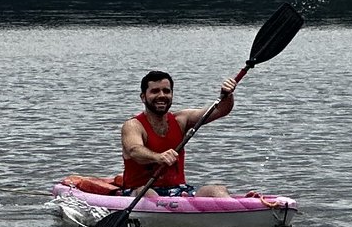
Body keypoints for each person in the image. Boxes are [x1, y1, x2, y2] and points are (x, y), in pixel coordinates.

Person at [66, 69, 239, 197]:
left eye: (166, 91)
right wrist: (158, 157)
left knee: (217, 190)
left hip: (178, 191)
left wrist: (227, 95)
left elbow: (220, 110)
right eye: (155, 91)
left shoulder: (181, 120)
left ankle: (239, 218)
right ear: (143, 97)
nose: (161, 95)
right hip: (139, 191)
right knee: (148, 193)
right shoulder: (133, 125)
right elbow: (135, 150)